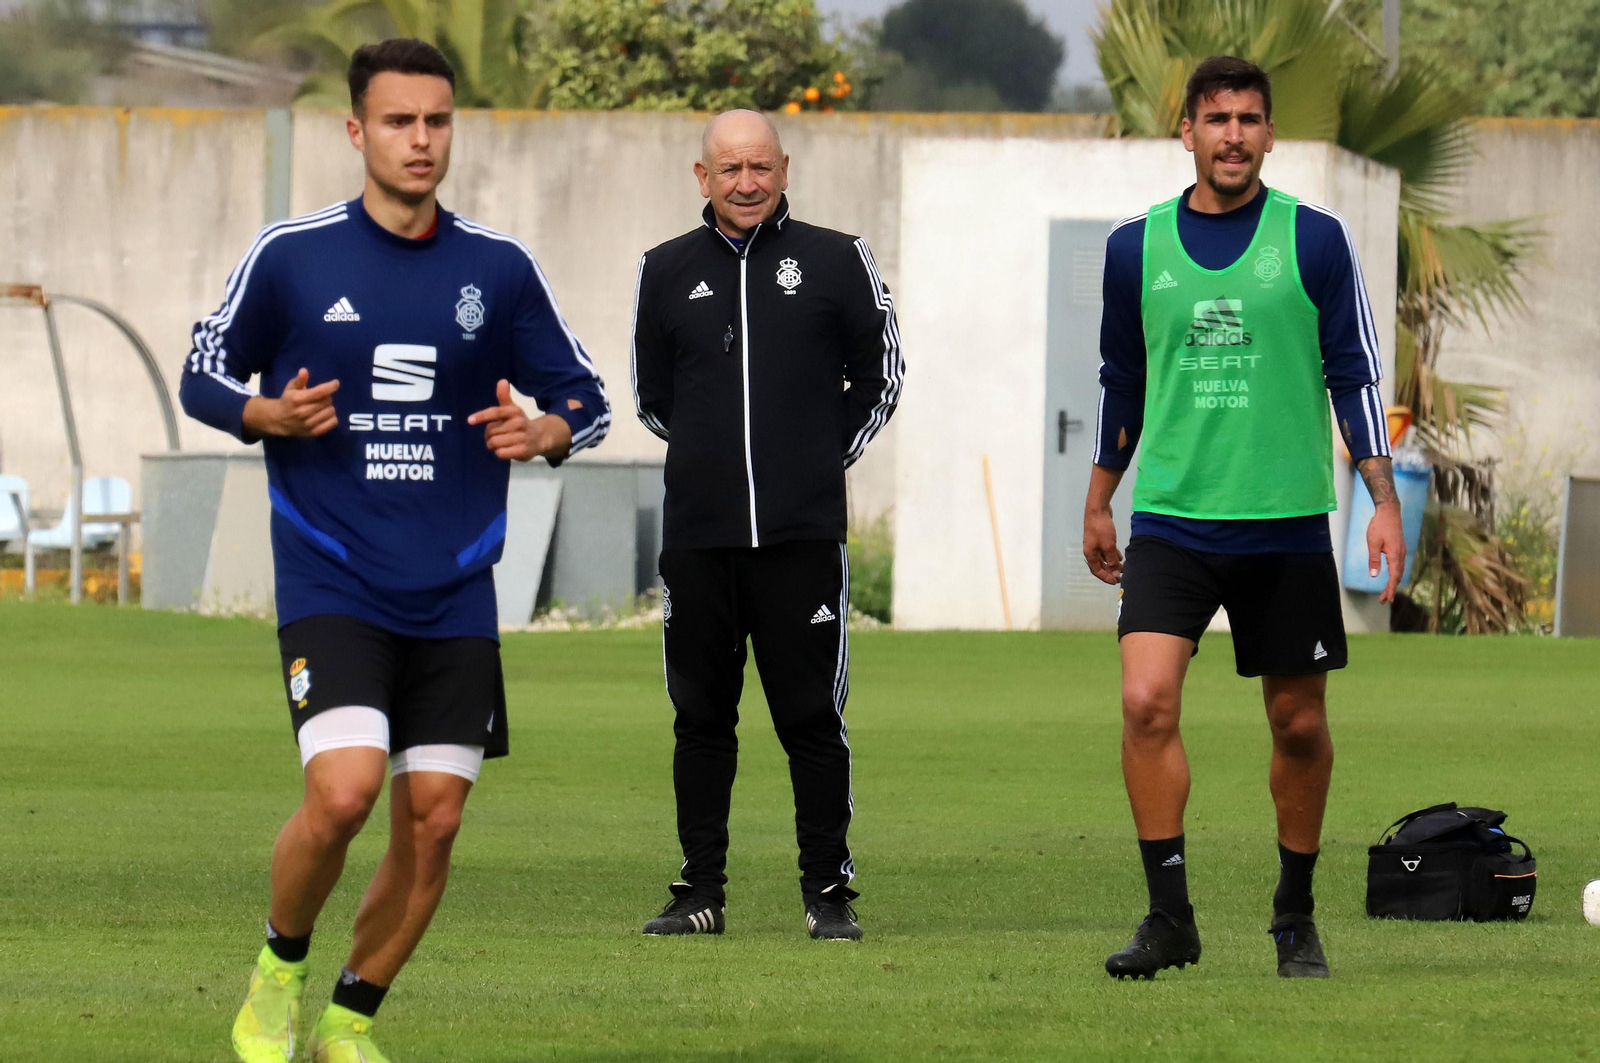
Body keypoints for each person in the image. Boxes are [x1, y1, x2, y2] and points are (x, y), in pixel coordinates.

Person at [179, 39, 609, 1063]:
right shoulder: (293, 255)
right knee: (343, 791)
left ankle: (346, 1022)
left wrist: (548, 431)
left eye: (437, 121)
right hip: (333, 570)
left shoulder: (498, 270)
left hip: (456, 580)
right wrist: (261, 412)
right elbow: (201, 369)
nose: (421, 140)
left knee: (436, 819)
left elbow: (586, 398)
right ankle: (277, 973)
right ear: (357, 130)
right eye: (400, 121)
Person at [1082, 55, 1404, 980]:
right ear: (1186, 132)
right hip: (1174, 520)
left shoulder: (1314, 240)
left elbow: (1356, 374)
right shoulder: (1132, 248)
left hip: (1286, 521)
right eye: (1215, 119)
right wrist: (1101, 496)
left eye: (1249, 119)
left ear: (1269, 134)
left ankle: (1294, 917)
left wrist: (1382, 502)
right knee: (1145, 702)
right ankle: (1169, 917)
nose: (1233, 134)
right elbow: (1121, 382)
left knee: (1299, 726)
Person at [629, 110, 904, 941]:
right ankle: (698, 891)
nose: (746, 182)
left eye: (761, 166)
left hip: (801, 537)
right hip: (700, 542)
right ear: (701, 176)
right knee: (701, 719)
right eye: (730, 169)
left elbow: (881, 375)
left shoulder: (836, 257)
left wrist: (815, 462)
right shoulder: (665, 269)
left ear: (784, 168)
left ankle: (828, 893)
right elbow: (652, 397)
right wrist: (718, 466)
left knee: (811, 719)